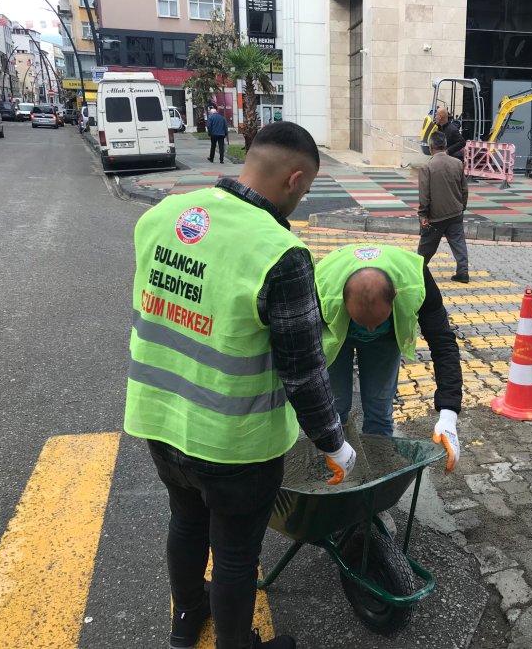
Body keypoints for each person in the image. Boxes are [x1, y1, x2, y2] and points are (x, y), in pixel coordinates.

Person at [124, 122, 356, 649]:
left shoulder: (162, 216)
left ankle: (186, 622)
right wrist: (334, 444)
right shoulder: (280, 251)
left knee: (185, 520)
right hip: (235, 441)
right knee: (232, 551)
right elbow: (303, 369)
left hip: (160, 419)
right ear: (295, 179)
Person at [315, 244, 462, 474]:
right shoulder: (320, 286)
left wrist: (449, 413)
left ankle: (376, 475)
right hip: (338, 337)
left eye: (377, 321)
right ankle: (332, 470)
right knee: (334, 407)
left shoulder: (416, 280)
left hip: (386, 343)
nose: (371, 330)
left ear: (395, 295)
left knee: (379, 411)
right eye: (363, 322)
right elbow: (300, 350)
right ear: (342, 301)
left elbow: (443, 343)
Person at [417, 131, 470, 283]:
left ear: (431, 147)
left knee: (426, 248)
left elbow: (424, 195)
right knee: (458, 243)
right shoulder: (458, 163)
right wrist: (462, 206)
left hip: (435, 216)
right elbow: (464, 189)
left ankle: (418, 272)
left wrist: (423, 214)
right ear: (445, 145)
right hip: (455, 212)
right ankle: (463, 272)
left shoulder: (427, 167)